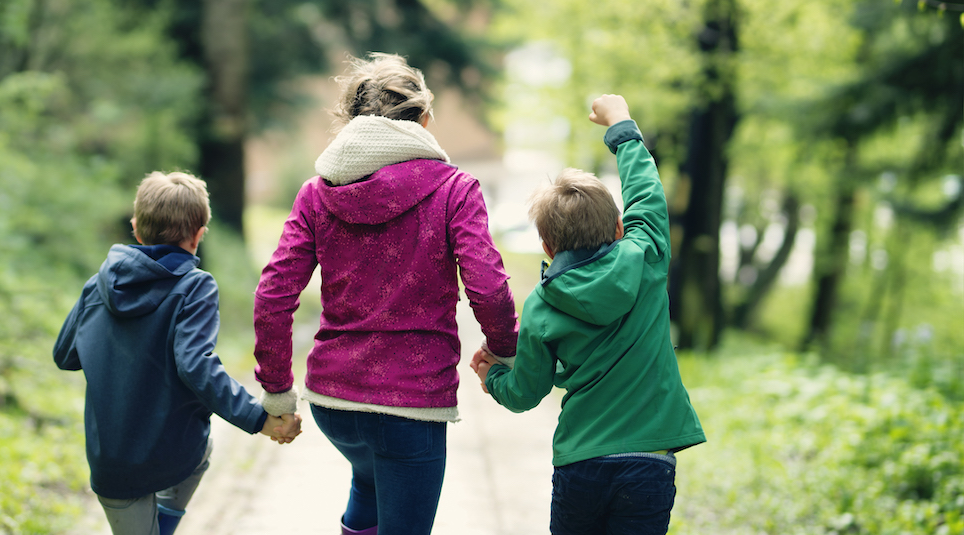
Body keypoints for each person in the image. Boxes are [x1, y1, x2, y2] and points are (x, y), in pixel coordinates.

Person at [253, 52, 519, 535]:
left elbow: (274, 293)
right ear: (422, 118)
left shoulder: (317, 193)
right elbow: (488, 285)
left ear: (351, 119)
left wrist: (276, 392)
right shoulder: (455, 189)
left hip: (335, 403)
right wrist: (503, 349)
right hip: (412, 403)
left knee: (370, 482)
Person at [471, 94, 706, 535]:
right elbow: (646, 191)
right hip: (648, 462)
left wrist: (493, 378)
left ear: (547, 247)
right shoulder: (647, 256)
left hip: (581, 463)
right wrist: (621, 125)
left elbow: (525, 393)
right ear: (619, 228)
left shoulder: (543, 303)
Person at [53, 171, 302, 535]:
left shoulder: (99, 283)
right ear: (199, 235)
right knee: (200, 451)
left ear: (136, 228)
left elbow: (65, 355)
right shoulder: (194, 286)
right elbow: (195, 365)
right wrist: (259, 419)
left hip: (113, 462)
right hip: (173, 451)